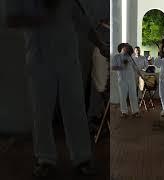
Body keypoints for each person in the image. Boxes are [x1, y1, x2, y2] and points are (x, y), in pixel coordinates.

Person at [6, 0, 108, 177]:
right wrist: (40, 14)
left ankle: (82, 158)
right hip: (39, 60)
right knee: (41, 113)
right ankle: (45, 159)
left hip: (68, 61)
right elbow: (12, 19)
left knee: (75, 109)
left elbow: (84, 23)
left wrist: (101, 45)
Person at [87, 20, 110, 134]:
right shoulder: (103, 29)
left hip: (103, 61)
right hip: (101, 59)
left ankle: (100, 121)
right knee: (100, 90)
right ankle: (97, 122)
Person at [112, 43, 140, 118]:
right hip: (122, 80)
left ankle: (135, 111)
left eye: (128, 48)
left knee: (133, 95)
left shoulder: (130, 57)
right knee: (123, 96)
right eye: (126, 47)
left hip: (131, 80)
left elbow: (135, 67)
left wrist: (140, 73)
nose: (127, 49)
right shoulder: (116, 57)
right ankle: (124, 112)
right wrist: (122, 66)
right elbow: (113, 67)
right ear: (122, 47)